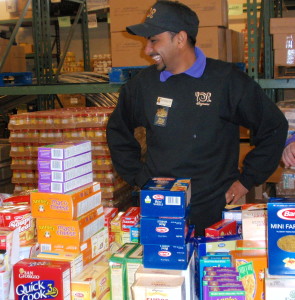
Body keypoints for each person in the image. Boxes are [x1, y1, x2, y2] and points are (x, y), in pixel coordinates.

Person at [106, 0, 288, 236]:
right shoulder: (142, 86)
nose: (147, 50)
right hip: (160, 208)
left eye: (154, 40)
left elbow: (273, 126)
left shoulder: (226, 81)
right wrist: (139, 177)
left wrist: (247, 180)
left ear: (180, 39)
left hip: (214, 211)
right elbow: (117, 130)